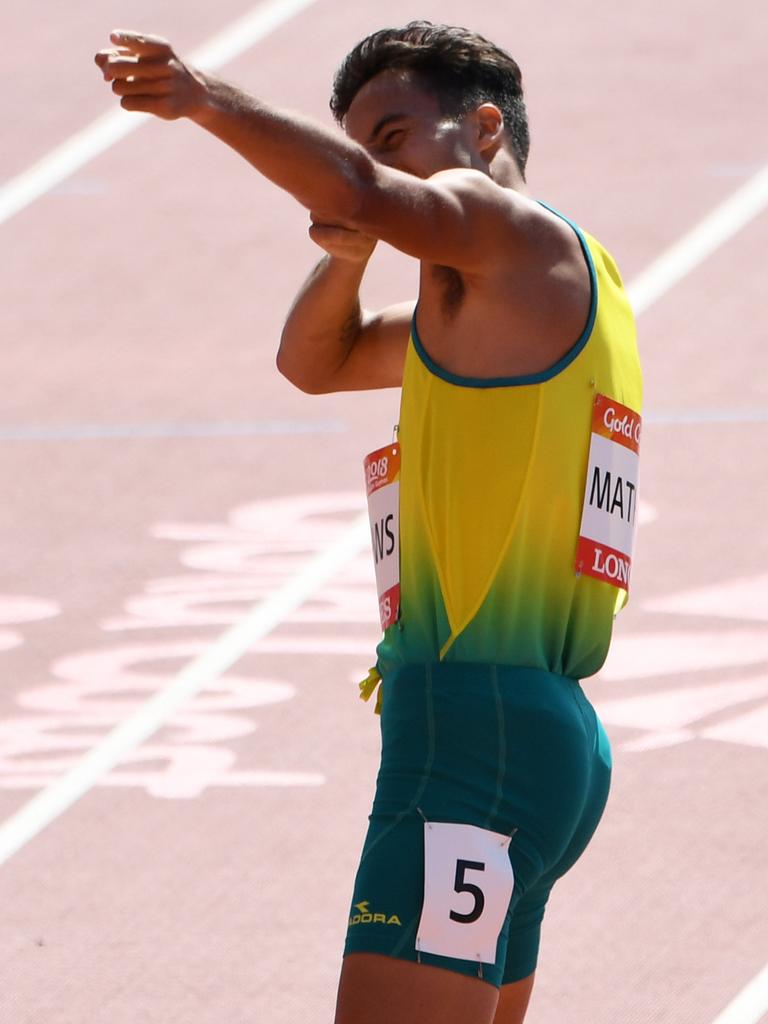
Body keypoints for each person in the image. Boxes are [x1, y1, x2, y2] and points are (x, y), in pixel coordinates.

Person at [96, 21, 642, 1024]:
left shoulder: (506, 229)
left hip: (473, 732)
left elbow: (349, 188)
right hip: (535, 736)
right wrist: (348, 255)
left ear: (483, 128)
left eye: (389, 137)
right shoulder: (533, 290)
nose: (366, 166)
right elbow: (315, 361)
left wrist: (208, 100)